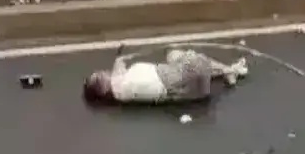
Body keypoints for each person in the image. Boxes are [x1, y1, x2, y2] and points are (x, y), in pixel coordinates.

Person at [83, 47, 248, 105]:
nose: (102, 73)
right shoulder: (119, 89)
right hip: (174, 80)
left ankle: (228, 71)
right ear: (103, 89)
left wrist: (119, 59)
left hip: (187, 89)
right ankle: (230, 71)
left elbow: (118, 70)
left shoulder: (121, 88)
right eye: (98, 78)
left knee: (175, 55)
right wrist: (119, 60)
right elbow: (117, 74)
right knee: (194, 60)